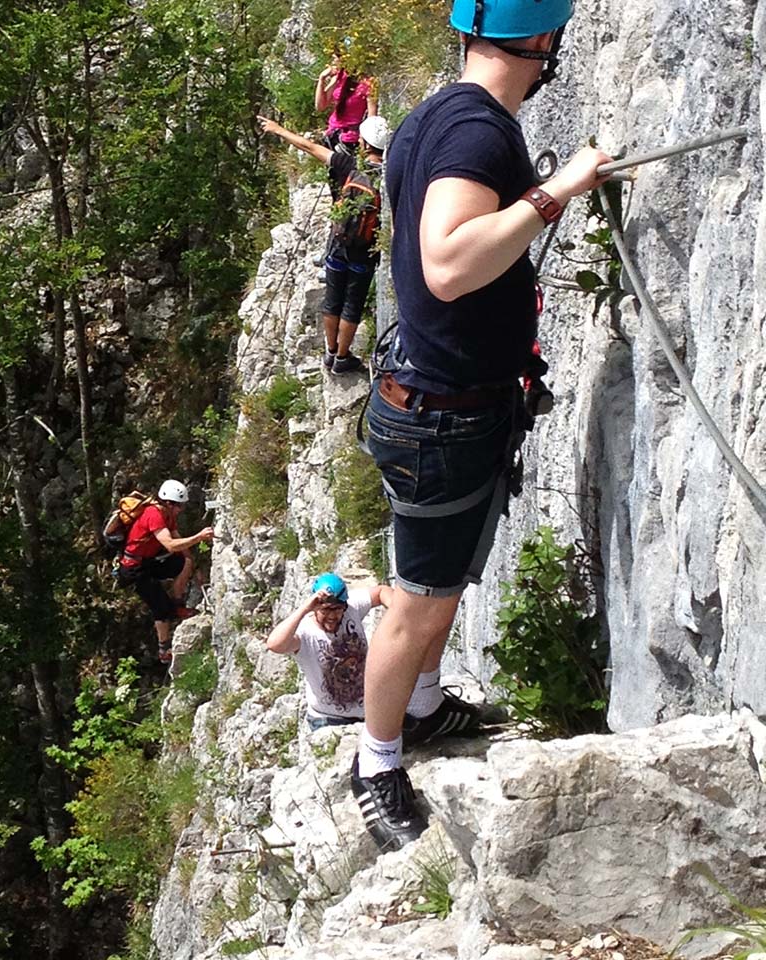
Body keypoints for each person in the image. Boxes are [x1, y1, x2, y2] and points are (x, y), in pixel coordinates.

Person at [351, 0, 613, 852]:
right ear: (541, 41)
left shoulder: (433, 114)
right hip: (441, 416)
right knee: (416, 608)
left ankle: (421, 711)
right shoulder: (478, 132)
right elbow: (450, 262)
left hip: (441, 405)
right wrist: (554, 190)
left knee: (445, 585)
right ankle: (377, 762)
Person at [258, 113, 390, 374]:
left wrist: (278, 129)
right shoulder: (388, 176)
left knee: (333, 300)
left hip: (338, 245)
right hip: (365, 251)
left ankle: (330, 352)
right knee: (352, 304)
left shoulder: (349, 165)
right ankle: (343, 358)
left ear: (364, 144)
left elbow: (309, 147)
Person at [266, 573, 393, 730]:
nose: (332, 616)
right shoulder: (305, 633)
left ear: (344, 606)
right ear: (315, 608)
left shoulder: (351, 609)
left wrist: (398, 612)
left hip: (369, 711)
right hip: (329, 721)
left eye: (337, 610)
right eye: (325, 610)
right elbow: (274, 644)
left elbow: (382, 592)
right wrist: (304, 609)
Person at [116, 479, 214, 664]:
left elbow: (178, 542)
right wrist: (199, 537)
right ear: (169, 503)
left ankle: (177, 605)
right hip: (133, 569)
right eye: (179, 506)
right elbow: (169, 544)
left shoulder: (168, 514)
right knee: (160, 608)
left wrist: (190, 562)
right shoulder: (154, 515)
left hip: (147, 562)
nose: (181, 510)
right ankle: (163, 649)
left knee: (181, 563)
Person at [315, 52, 378, 150]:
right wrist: (322, 79)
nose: (333, 62)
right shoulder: (339, 78)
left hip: (351, 138)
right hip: (332, 133)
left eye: (335, 59)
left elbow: (372, 117)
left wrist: (365, 139)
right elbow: (320, 106)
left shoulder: (369, 83)